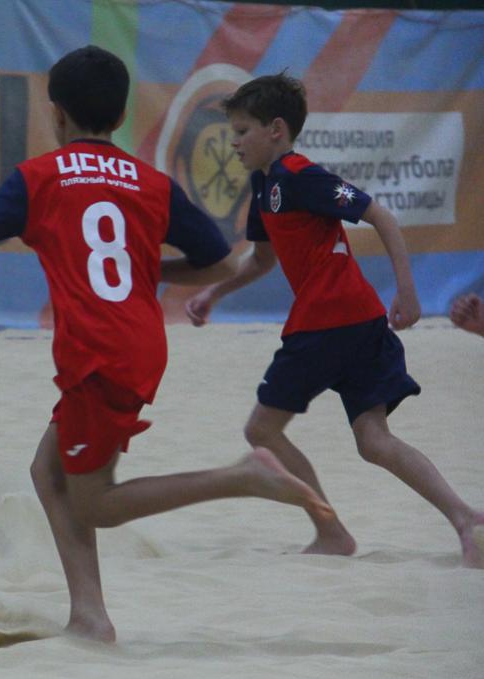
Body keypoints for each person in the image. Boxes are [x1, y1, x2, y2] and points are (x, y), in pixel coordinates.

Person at [0, 47, 331, 642]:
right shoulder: (150, 182)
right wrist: (149, 273)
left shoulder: (39, 176)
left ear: (57, 114)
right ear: (119, 117)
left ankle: (242, 476)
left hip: (98, 352)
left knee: (95, 502)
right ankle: (89, 615)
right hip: (136, 343)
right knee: (47, 471)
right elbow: (221, 262)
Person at [185, 72, 484, 568]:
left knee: (261, 430)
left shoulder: (301, 175)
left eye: (241, 131)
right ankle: (465, 519)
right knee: (375, 441)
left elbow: (380, 215)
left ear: (276, 130)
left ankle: (331, 531)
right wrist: (213, 294)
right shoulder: (264, 185)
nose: (233, 142)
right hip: (358, 320)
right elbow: (261, 261)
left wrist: (408, 291)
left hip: (326, 322)